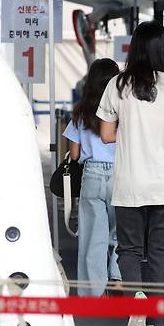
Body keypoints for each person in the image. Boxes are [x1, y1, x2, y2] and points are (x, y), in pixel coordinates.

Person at [98, 21, 164, 326]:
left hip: (130, 181)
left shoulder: (117, 84)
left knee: (128, 249)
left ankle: (137, 295)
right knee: (160, 253)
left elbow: (106, 135)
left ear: (134, 47)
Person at [63, 58, 121, 297]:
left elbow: (74, 155)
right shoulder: (122, 111)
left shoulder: (80, 113)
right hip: (121, 174)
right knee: (121, 232)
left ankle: (93, 292)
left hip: (93, 175)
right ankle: (118, 279)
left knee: (93, 237)